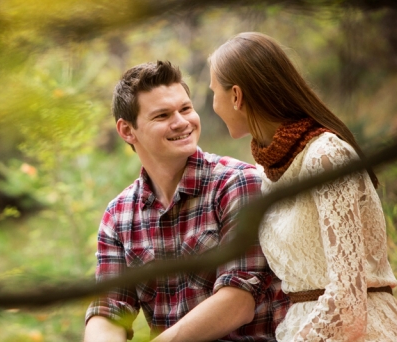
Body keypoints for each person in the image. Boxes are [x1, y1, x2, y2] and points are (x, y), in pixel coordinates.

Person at [208, 32, 397, 342]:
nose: (212, 104)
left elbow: (348, 301)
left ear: (236, 96)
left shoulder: (326, 156)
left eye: (214, 93)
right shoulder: (269, 174)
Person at [84, 61, 287, 342]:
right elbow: (108, 310)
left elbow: (239, 302)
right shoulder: (119, 215)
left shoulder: (237, 183)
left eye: (185, 109)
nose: (181, 122)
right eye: (162, 115)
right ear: (127, 131)